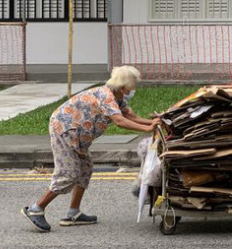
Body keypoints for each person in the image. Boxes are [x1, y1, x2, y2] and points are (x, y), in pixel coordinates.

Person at [21, 66, 159, 232]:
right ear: (124, 86)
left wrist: (153, 123)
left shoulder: (118, 97)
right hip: (64, 130)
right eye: (133, 85)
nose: (135, 88)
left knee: (85, 169)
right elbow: (119, 121)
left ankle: (73, 213)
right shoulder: (106, 96)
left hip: (77, 135)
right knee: (68, 174)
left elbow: (130, 116)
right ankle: (36, 209)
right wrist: (147, 128)